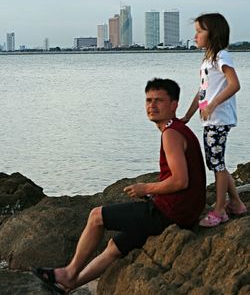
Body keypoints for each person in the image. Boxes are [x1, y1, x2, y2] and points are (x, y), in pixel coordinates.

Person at [31, 78, 206, 294]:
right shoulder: (176, 129)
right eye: (148, 100)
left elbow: (180, 181)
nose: (152, 106)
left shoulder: (171, 134)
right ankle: (70, 285)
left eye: (159, 101)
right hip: (184, 213)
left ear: (174, 105)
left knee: (96, 216)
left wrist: (146, 189)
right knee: (115, 247)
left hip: (169, 212)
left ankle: (69, 272)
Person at [181, 13, 247, 227]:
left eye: (200, 31)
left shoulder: (221, 56)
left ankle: (219, 210)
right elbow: (202, 91)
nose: (195, 36)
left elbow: (234, 84)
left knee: (216, 165)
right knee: (216, 163)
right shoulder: (207, 61)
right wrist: (188, 116)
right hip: (210, 120)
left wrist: (213, 105)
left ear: (213, 33)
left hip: (218, 120)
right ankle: (236, 203)